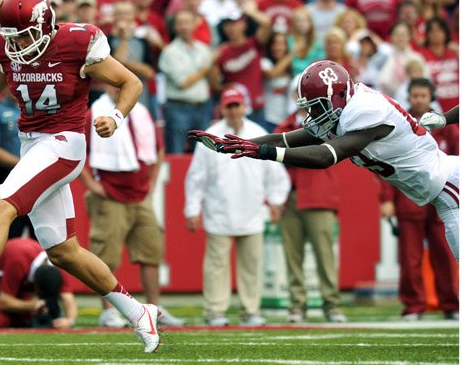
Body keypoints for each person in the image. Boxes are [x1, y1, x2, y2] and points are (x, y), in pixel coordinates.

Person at [0, 0, 160, 353]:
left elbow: (131, 82)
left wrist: (115, 115)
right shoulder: (5, 47)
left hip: (64, 143)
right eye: (12, 38)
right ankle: (139, 312)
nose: (18, 45)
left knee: (2, 204)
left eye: (25, 35)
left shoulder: (78, 43)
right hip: (32, 144)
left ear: (46, 25)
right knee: (63, 252)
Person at [188, 60, 459, 261]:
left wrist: (265, 154)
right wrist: (237, 143)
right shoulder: (344, 109)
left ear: (338, 97)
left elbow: (326, 156)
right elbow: (286, 138)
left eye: (316, 105)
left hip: (452, 188)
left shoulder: (366, 112)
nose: (312, 112)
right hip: (444, 195)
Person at [184, 88, 291, 326]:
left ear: (245, 107)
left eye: (237, 106)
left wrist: (275, 201)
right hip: (218, 210)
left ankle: (251, 310)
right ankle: (215, 311)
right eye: (229, 106)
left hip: (251, 210)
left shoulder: (258, 133)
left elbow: (275, 172)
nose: (233, 111)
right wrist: (192, 208)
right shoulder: (210, 138)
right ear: (222, 108)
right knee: (216, 266)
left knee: (251, 265)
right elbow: (196, 177)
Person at [80, 86, 184, 328]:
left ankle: (153, 308)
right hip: (110, 194)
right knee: (106, 256)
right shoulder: (94, 113)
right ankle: (109, 311)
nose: (120, 88)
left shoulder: (142, 112)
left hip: (140, 195)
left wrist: (153, 181)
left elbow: (158, 149)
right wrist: (90, 184)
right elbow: (77, 150)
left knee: (151, 253)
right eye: (116, 83)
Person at [379, 78, 458, 321]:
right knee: (410, 256)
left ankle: (451, 304)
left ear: (431, 97)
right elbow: (385, 162)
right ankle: (413, 305)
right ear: (409, 97)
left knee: (444, 254)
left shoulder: (445, 126)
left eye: (424, 95)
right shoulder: (400, 124)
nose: (419, 100)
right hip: (409, 196)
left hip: (443, 194)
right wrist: (387, 198)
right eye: (415, 96)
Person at [275, 107, 346, 323]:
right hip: (290, 197)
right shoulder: (285, 127)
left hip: (318, 195)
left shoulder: (327, 124)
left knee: (325, 255)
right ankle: (297, 306)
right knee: (292, 257)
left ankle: (331, 305)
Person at [159, 8, 213, 154]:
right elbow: (182, 83)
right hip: (178, 108)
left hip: (202, 107)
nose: (184, 27)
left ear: (195, 24)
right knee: (176, 152)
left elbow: (212, 79)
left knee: (204, 153)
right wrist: (204, 70)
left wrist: (209, 69)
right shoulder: (170, 52)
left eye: (187, 23)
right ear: (175, 27)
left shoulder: (203, 49)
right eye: (180, 23)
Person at [0, 91, 34, 239]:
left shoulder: (34, 109)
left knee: (41, 238)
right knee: (9, 234)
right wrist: (24, 163)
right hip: (9, 180)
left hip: (34, 180)